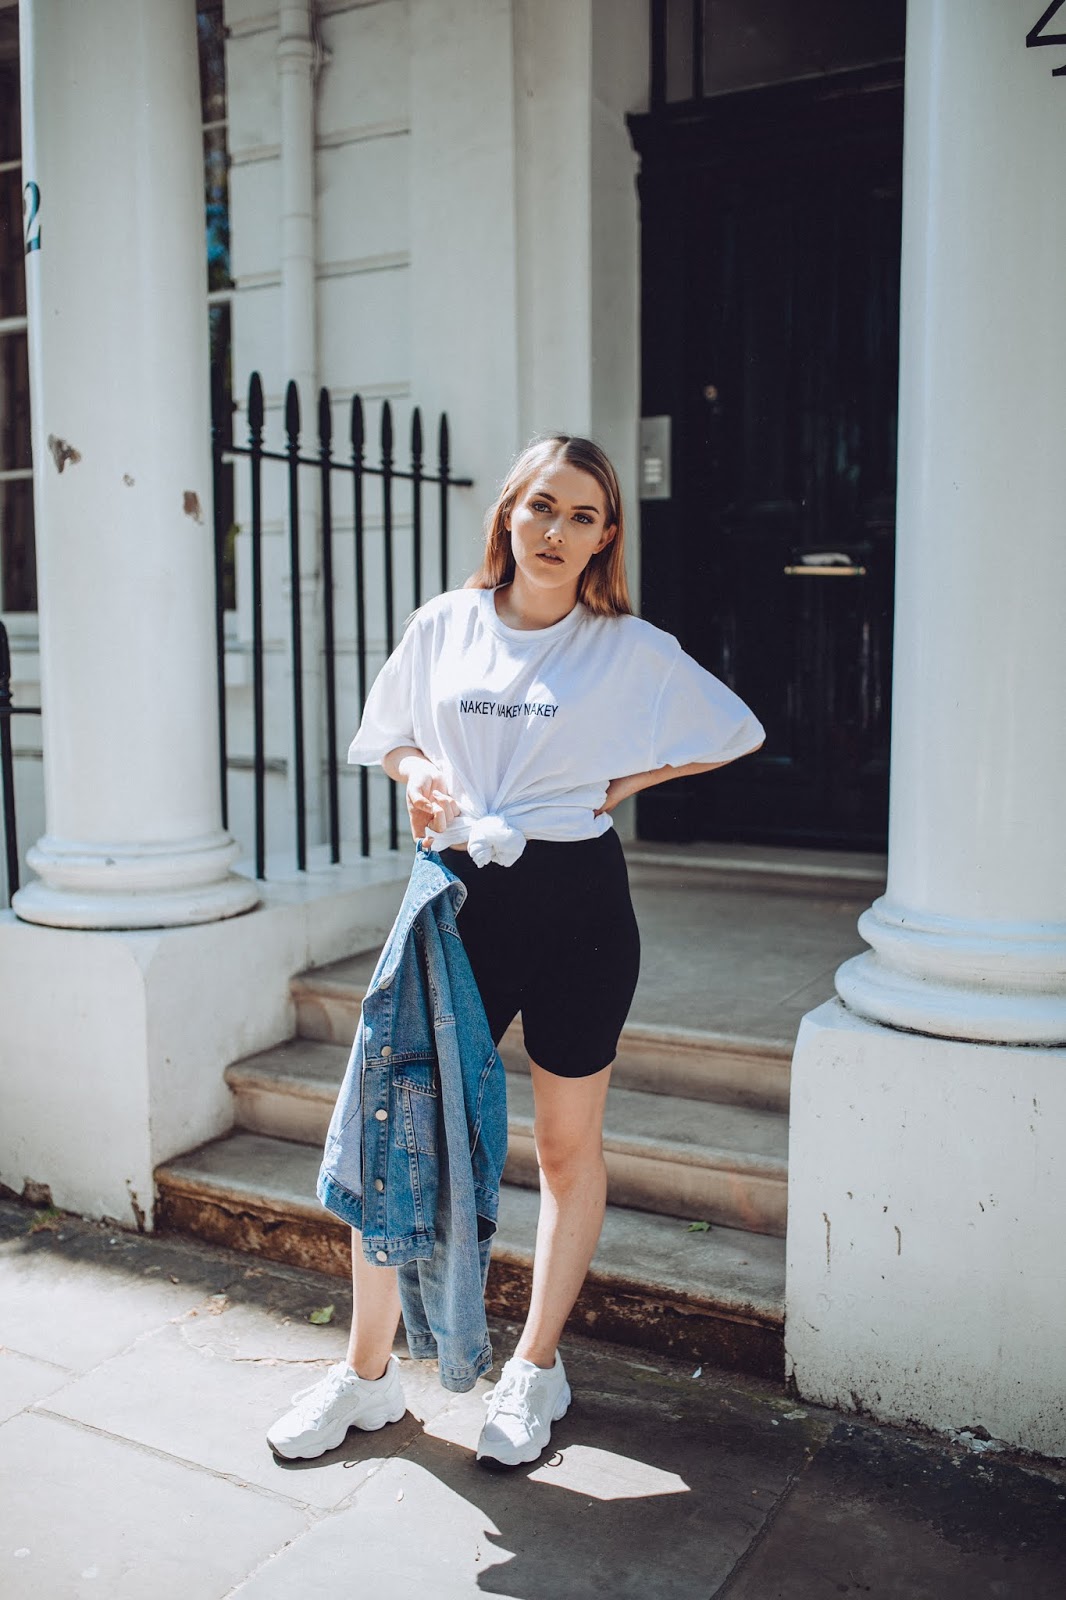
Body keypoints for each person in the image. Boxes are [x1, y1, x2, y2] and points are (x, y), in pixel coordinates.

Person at [267, 435, 764, 1467]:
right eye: (542, 506)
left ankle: (535, 1364)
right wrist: (415, 774)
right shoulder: (444, 624)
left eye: (582, 515)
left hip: (578, 904)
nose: (556, 530)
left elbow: (735, 729)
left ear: (605, 537)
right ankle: (366, 1379)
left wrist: (623, 785)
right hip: (454, 902)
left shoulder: (625, 646)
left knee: (567, 1148)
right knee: (392, 1132)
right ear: (507, 513)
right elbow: (394, 731)